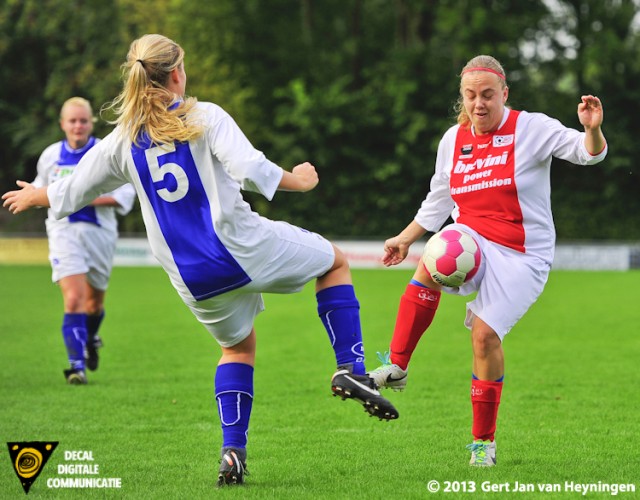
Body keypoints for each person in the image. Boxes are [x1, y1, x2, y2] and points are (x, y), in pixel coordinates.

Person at [3, 34, 398, 486]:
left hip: (192, 276)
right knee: (335, 263)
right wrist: (300, 180)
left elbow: (75, 188)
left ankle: (233, 454)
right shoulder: (204, 115)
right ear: (176, 73)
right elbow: (249, 169)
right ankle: (352, 367)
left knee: (237, 348)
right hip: (243, 246)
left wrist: (39, 194)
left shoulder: (121, 139)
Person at [368, 54, 606, 467]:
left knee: (484, 338)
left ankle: (483, 443)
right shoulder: (453, 140)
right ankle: (397, 365)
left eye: (488, 95)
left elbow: (588, 154)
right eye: (470, 95)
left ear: (504, 94)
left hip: (522, 255)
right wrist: (406, 239)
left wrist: (593, 129)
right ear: (462, 96)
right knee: (438, 251)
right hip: (472, 238)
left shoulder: (531, 128)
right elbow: (440, 197)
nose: (479, 104)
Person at [30, 97, 136, 385]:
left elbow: (122, 196)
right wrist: (34, 196)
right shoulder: (50, 157)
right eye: (73, 121)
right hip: (63, 233)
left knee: (93, 305)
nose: (78, 126)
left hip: (100, 235)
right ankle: (76, 367)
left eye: (84, 120)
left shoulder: (106, 153)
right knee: (74, 299)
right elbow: (41, 192)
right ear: (62, 124)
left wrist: (79, 197)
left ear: (91, 123)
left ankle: (90, 338)